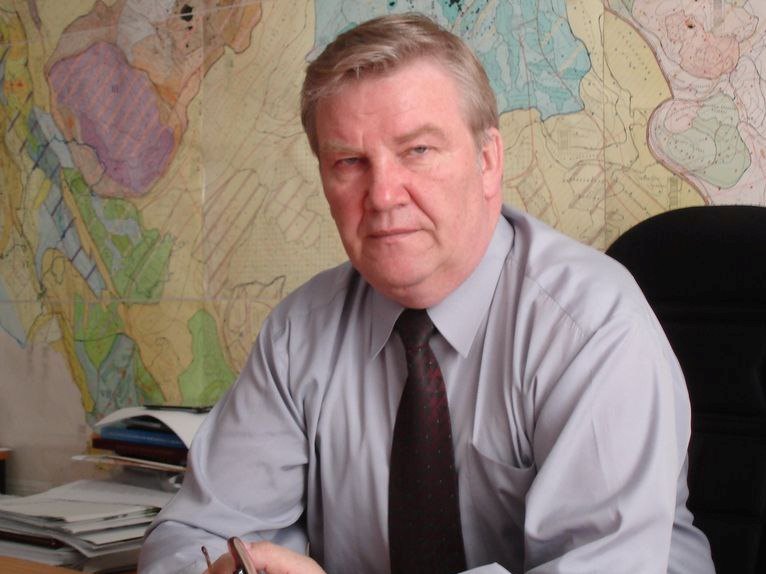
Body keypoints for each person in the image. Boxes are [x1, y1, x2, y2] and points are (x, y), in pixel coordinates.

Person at [138, 12, 715, 574]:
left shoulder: (590, 327)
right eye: (349, 162)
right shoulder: (299, 335)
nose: (383, 195)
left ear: (488, 161)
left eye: (417, 150)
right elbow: (191, 535)